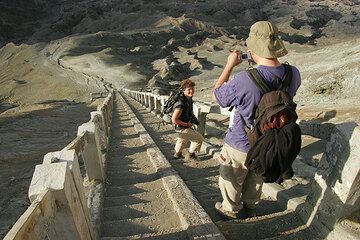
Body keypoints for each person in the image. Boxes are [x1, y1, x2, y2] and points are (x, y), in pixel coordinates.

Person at [212, 21, 301, 219]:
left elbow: (216, 95)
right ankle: (251, 207)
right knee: (257, 177)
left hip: (241, 142)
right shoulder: (293, 73)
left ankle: (231, 210)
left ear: (252, 49)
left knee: (232, 179)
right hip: (270, 142)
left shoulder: (244, 79)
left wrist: (229, 65)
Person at [172, 79, 204, 161]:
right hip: (181, 127)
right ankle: (190, 155)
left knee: (183, 138)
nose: (191, 91)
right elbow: (174, 119)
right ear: (183, 90)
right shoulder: (181, 103)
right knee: (199, 139)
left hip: (180, 127)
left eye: (192, 88)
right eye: (189, 89)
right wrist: (187, 125)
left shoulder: (188, 99)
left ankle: (177, 154)